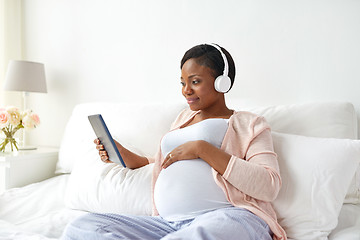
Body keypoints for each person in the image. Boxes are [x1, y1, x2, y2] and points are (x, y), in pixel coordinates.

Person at [62, 44, 287, 240]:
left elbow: (269, 185)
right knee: (82, 228)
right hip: (167, 225)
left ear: (222, 83)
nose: (186, 91)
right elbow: (161, 163)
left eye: (195, 81)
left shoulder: (250, 124)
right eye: (182, 83)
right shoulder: (181, 120)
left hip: (230, 217)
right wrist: (122, 154)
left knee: (201, 235)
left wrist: (203, 149)